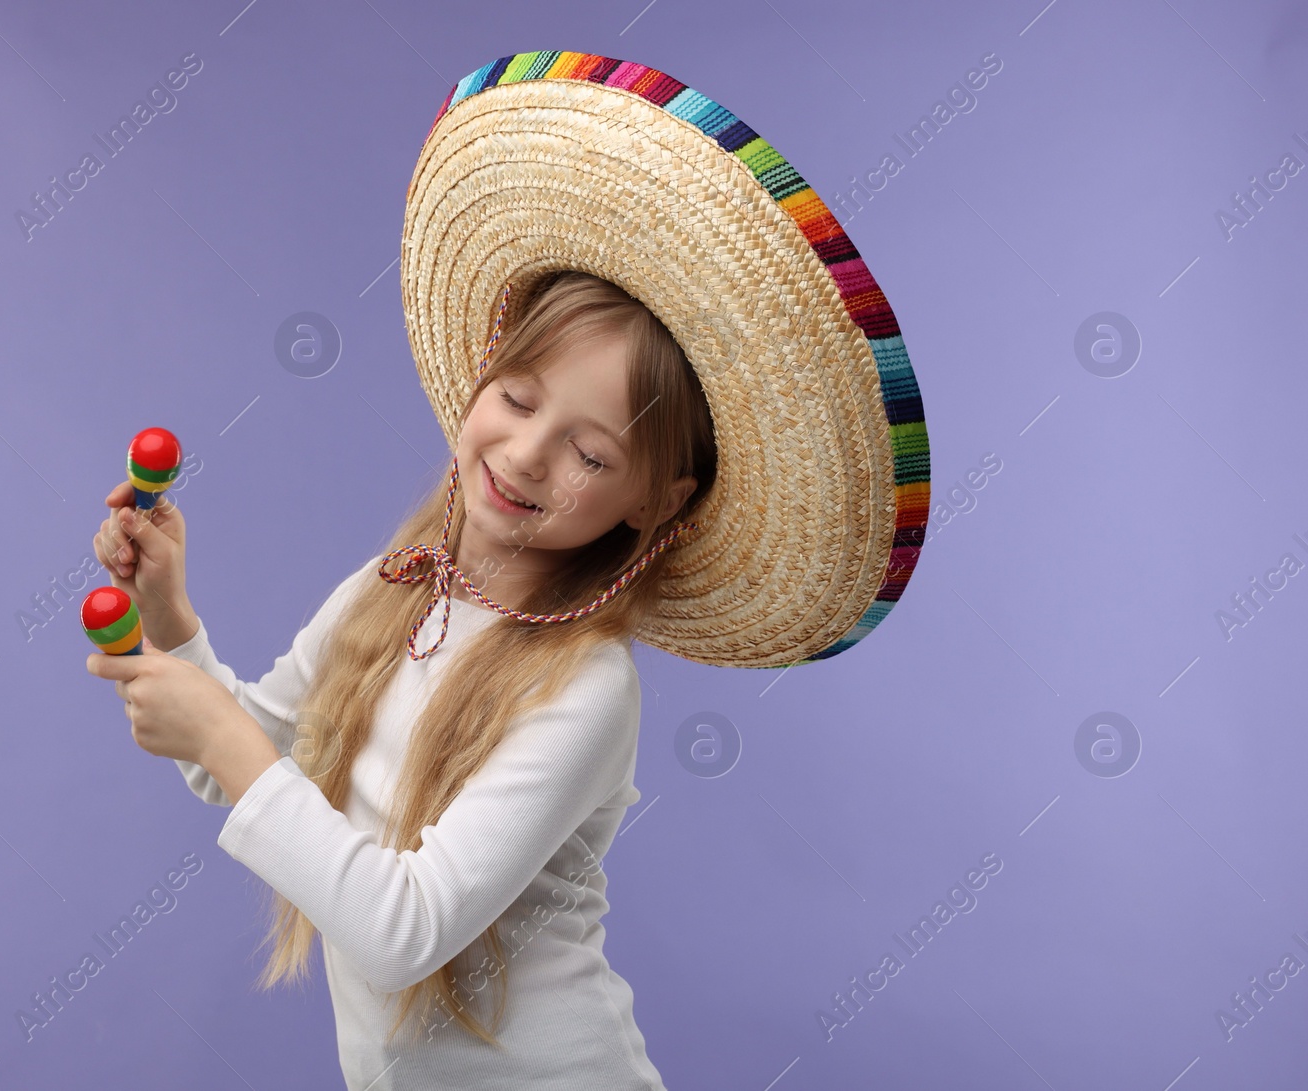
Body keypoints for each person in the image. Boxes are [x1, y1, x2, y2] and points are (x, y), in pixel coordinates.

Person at [85, 49, 931, 1090]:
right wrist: (173, 618)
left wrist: (219, 734)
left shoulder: (585, 686)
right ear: (482, 375)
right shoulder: (392, 586)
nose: (529, 454)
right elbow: (250, 763)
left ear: (655, 503)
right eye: (520, 399)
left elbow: (405, 929)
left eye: (591, 453)